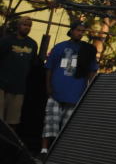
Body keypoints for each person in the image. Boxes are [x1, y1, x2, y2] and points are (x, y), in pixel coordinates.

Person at [41, 21, 98, 155]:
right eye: (78, 30)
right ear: (71, 30)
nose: (80, 33)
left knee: (68, 126)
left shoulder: (87, 49)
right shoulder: (59, 47)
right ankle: (44, 149)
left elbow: (93, 70)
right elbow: (49, 68)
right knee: (50, 121)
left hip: (76, 92)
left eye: (82, 31)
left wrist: (89, 87)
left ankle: (60, 152)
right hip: (56, 91)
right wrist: (48, 86)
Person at [0, 16, 38, 127]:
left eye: (29, 26)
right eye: (24, 25)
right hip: (2, 85)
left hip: (18, 88)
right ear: (18, 25)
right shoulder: (7, 40)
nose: (27, 27)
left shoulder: (32, 44)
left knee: (13, 121)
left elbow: (33, 64)